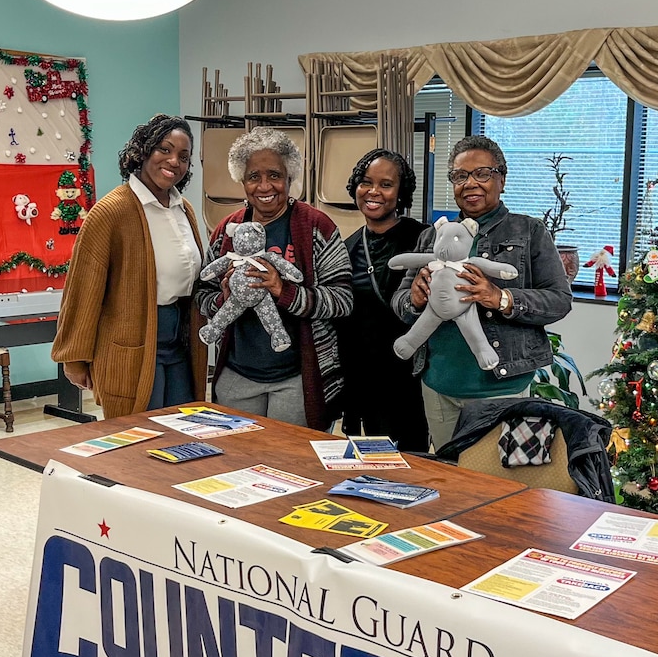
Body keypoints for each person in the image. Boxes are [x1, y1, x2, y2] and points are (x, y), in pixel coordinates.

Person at [393, 135, 572, 450]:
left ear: (501, 179)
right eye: (460, 176)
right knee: (450, 478)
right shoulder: (431, 236)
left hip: (502, 389)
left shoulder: (528, 232)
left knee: (499, 485)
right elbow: (400, 300)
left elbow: (559, 300)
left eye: (482, 173)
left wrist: (501, 298)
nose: (470, 183)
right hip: (439, 387)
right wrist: (414, 299)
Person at [195, 128, 352, 429]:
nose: (265, 186)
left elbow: (343, 301)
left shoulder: (316, 226)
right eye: (254, 176)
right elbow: (202, 294)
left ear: (290, 178)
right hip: (236, 376)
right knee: (235, 461)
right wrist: (223, 298)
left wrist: (285, 291)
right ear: (242, 181)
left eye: (275, 175)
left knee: (294, 466)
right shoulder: (227, 231)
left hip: (298, 378)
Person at [52, 114, 207, 418]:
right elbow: (84, 289)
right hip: (131, 340)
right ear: (143, 151)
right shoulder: (112, 211)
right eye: (165, 149)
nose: (174, 161)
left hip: (180, 340)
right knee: (137, 437)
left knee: (182, 428)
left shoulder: (182, 208)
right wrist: (74, 358)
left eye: (183, 156)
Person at [340, 149, 430, 451]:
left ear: (401, 192)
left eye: (386, 184)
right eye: (366, 182)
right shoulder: (348, 246)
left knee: (409, 467)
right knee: (367, 467)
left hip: (409, 377)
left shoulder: (422, 240)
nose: (373, 192)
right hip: (362, 377)